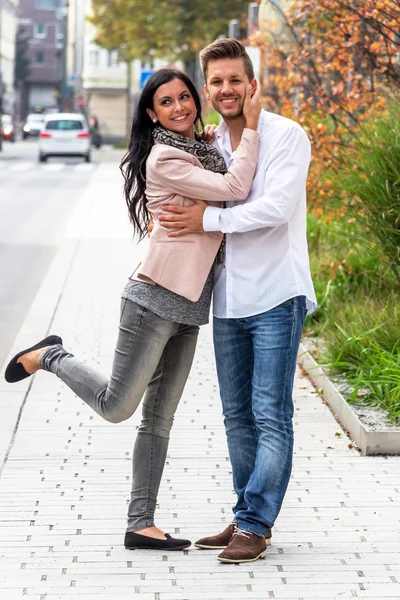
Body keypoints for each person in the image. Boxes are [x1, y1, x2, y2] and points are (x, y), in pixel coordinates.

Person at [4, 68, 261, 552]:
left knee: (159, 420)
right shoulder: (166, 157)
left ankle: (140, 524)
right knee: (118, 407)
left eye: (186, 96)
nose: (180, 107)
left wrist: (220, 136)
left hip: (189, 307)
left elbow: (218, 172)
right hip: (151, 300)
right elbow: (235, 186)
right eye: (167, 102)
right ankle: (52, 355)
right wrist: (249, 123)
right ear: (151, 113)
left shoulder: (196, 148)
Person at [159, 40, 317, 564]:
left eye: (235, 80)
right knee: (236, 416)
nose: (226, 90)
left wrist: (209, 219)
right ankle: (245, 509)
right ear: (208, 91)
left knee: (271, 412)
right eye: (217, 82)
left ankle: (255, 523)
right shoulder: (210, 145)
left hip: (276, 290)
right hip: (228, 297)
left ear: (252, 85)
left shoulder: (286, 136)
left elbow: (274, 208)